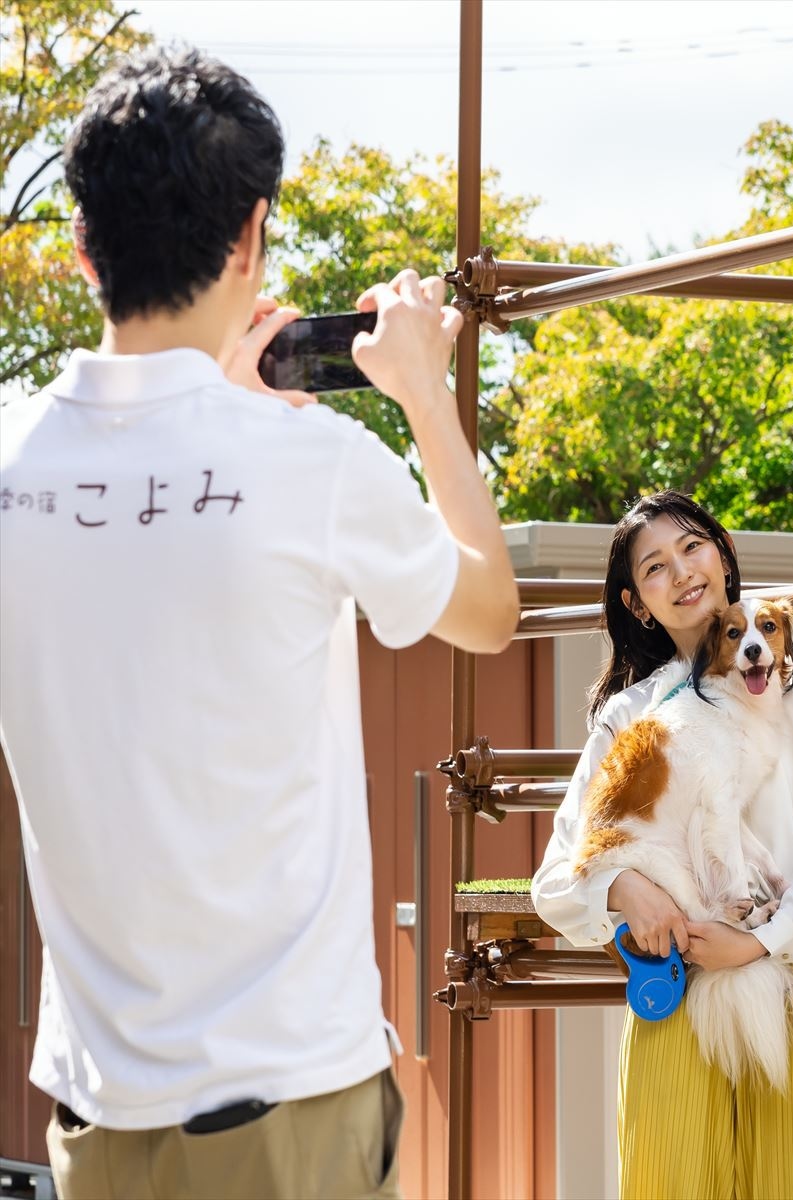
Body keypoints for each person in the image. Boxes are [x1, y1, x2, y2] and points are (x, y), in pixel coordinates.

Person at [0, 47, 519, 1199]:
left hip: (94, 1120)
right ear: (251, 236)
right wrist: (425, 392)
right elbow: (489, 608)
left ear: (85, 246)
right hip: (289, 1113)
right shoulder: (307, 463)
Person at [532, 490, 793, 1198]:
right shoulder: (630, 714)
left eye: (692, 546)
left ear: (723, 554)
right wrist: (624, 888)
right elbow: (556, 875)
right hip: (675, 988)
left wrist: (764, 942)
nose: (681, 572)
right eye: (655, 567)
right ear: (637, 603)